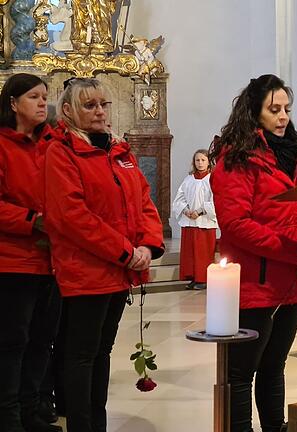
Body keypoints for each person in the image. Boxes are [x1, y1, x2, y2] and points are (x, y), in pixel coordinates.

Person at [44, 78, 164, 431]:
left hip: (118, 271)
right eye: (89, 105)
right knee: (80, 356)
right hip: (86, 271)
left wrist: (146, 246)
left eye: (103, 104)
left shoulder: (119, 151)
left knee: (101, 353)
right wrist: (125, 252)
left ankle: (99, 422)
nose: (99, 111)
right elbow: (73, 216)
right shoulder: (61, 151)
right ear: (67, 111)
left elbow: (144, 202)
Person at [209, 74, 297, 432]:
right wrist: (292, 249)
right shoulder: (236, 158)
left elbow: (291, 212)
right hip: (254, 282)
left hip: (288, 279)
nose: (283, 117)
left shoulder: (288, 156)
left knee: (275, 366)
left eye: (287, 109)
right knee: (242, 371)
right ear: (253, 112)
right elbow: (235, 223)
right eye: (274, 109)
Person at [0, 74, 62, 432]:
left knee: (42, 340)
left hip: (51, 261)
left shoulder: (52, 144)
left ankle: (31, 411)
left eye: (45, 97)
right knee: (12, 342)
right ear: (12, 103)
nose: (43, 103)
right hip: (13, 260)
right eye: (34, 97)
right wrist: (32, 220)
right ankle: (8, 416)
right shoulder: (3, 145)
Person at [172, 149, 218, 290]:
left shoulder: (212, 179)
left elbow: (216, 199)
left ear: (209, 162)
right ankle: (193, 277)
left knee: (203, 252)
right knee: (190, 252)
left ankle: (203, 279)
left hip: (204, 222)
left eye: (203, 160)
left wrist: (199, 211)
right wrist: (186, 210)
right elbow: (179, 199)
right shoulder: (188, 179)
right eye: (197, 160)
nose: (200, 163)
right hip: (189, 221)